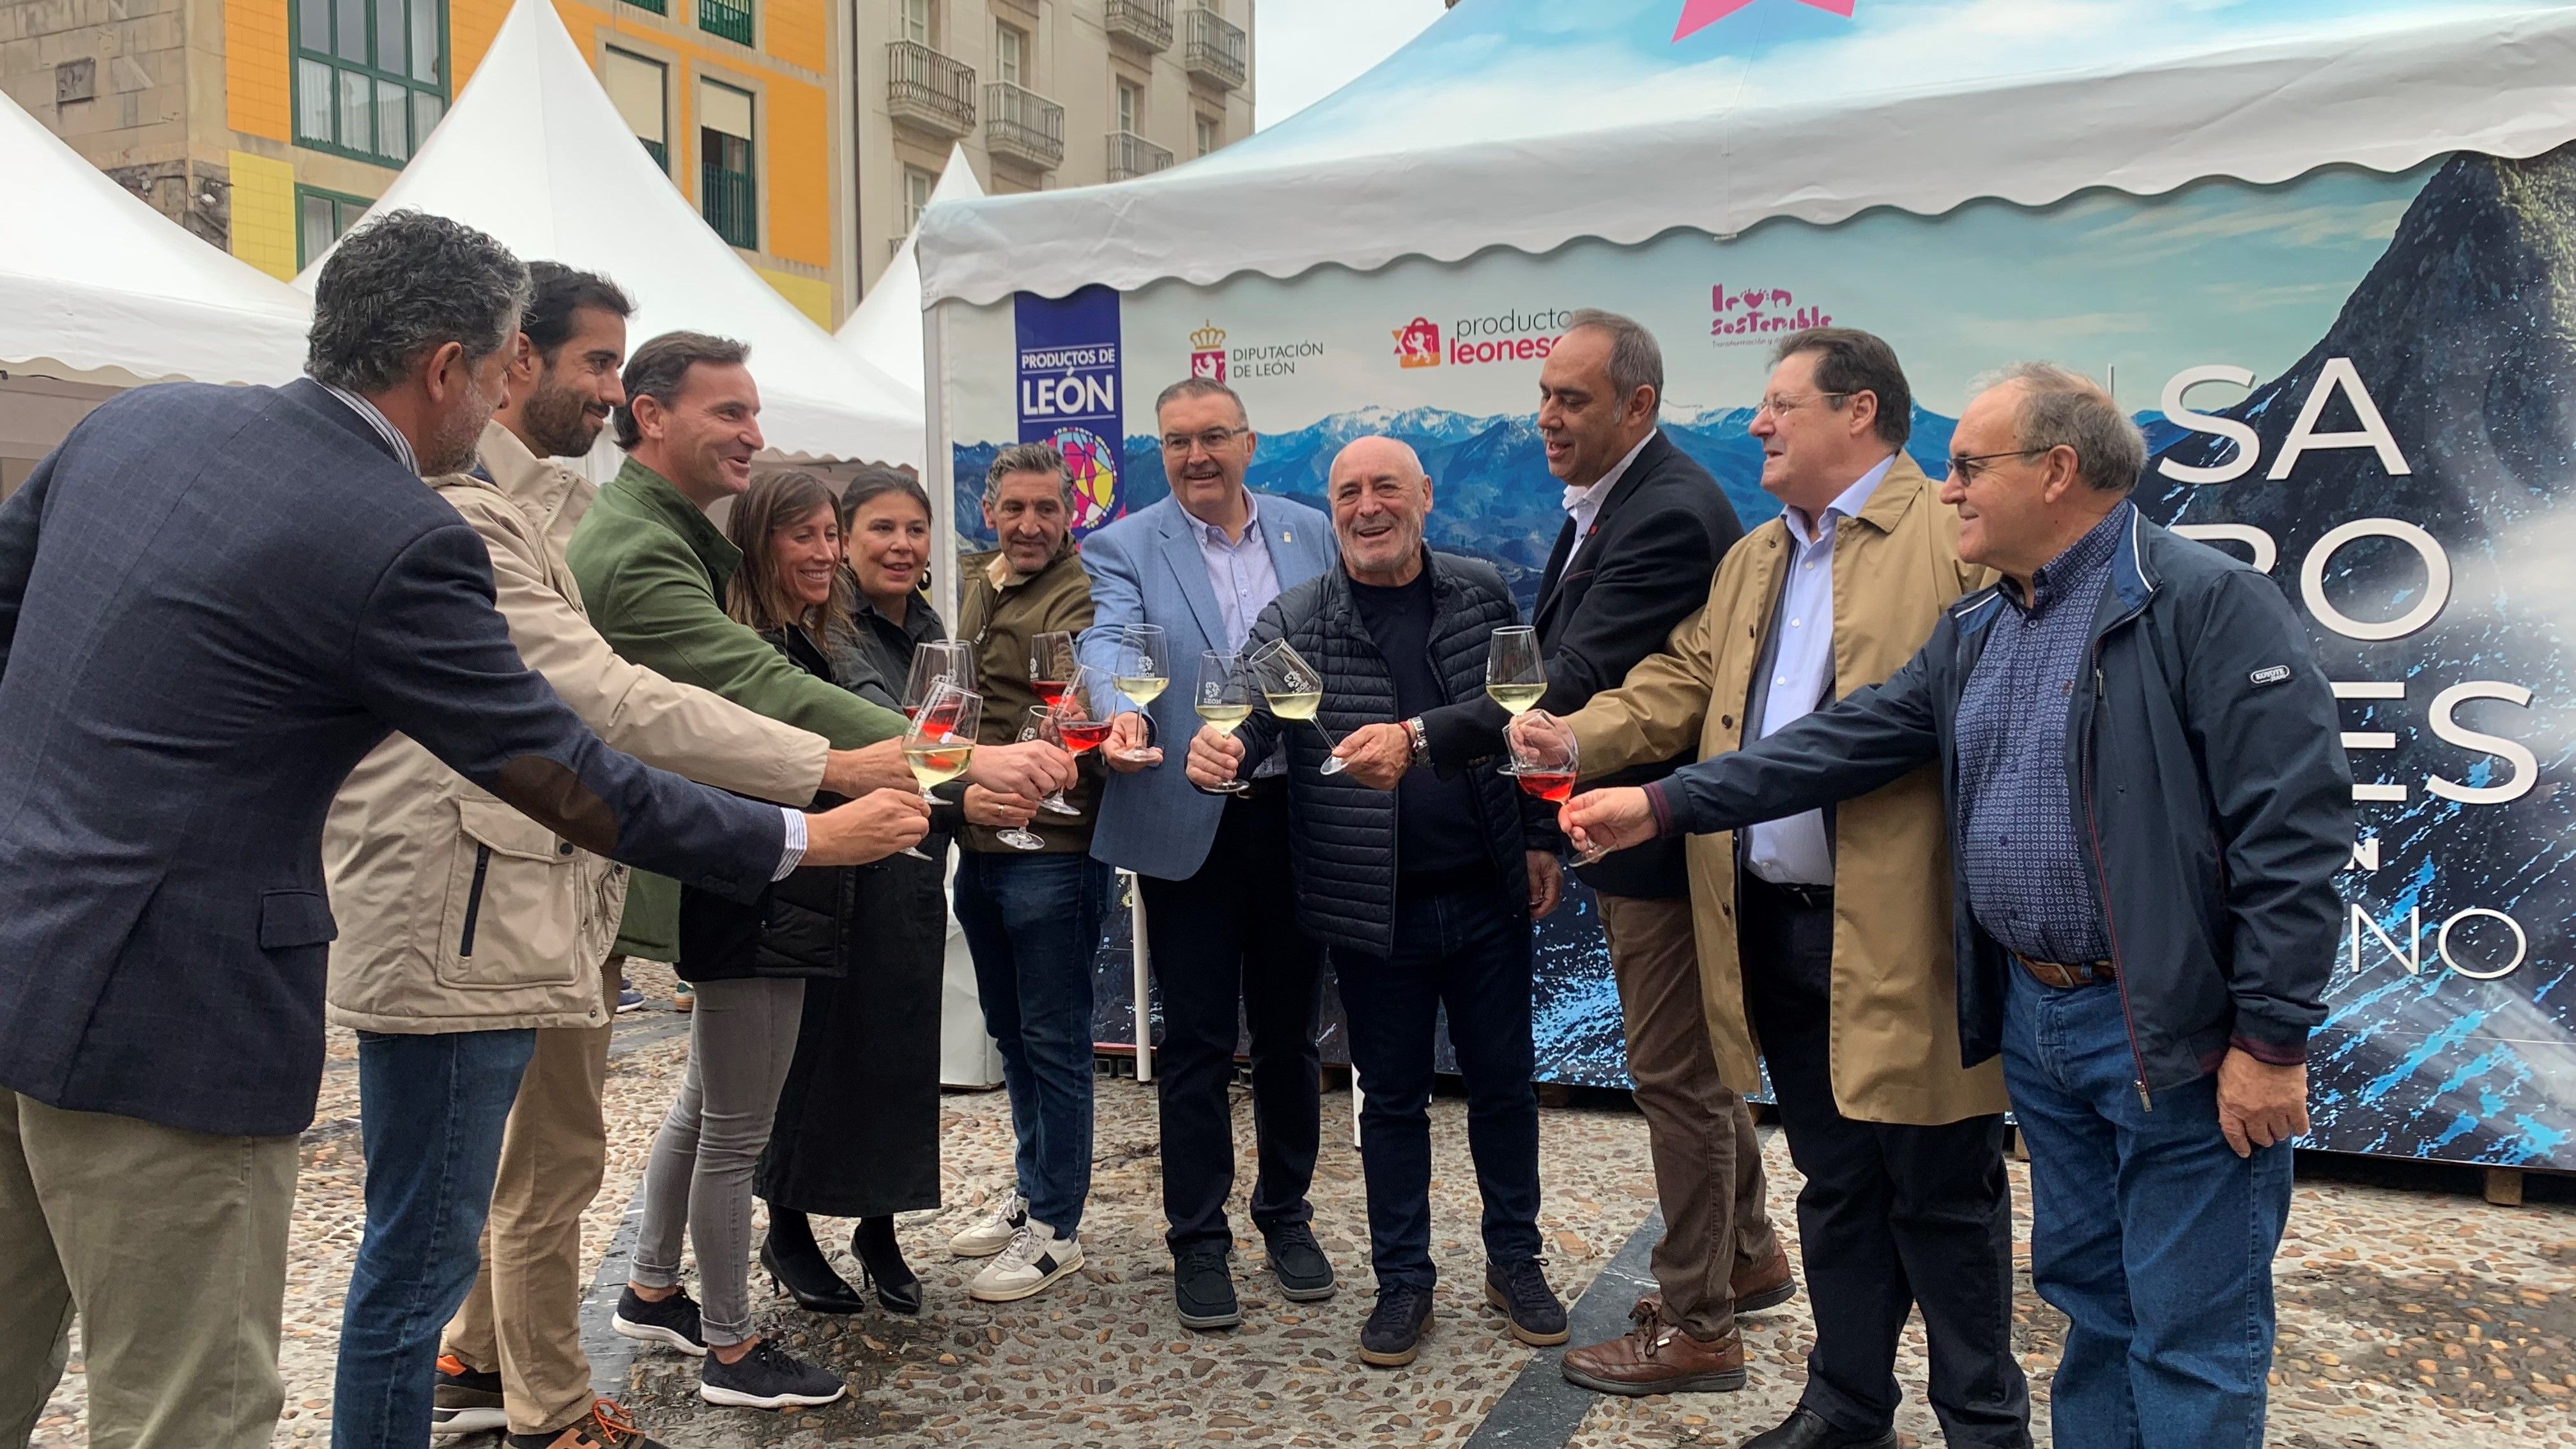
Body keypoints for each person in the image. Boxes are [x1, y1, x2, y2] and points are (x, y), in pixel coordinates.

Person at [0, 211, 923, 1449]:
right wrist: (802, 837)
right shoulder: (404, 529)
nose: (505, 400)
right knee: (190, 1407)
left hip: (20, 945)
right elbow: (560, 762)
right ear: (447, 368)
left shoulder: (138, 420)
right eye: (502, 373)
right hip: (175, 1019)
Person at [1555, 364, 2350, 1449]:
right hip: (2041, 1021)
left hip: (2172, 1035)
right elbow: (1841, 742)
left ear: (2058, 472)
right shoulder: (1984, 626)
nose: (1951, 489)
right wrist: (1661, 803)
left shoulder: (2203, 606)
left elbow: (2292, 840)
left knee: (2192, 1333)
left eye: (1972, 467)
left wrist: (2271, 1038)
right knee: (2096, 1310)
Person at [320, 265, 909, 1449]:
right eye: (597, 364)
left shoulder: (558, 509)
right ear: (502, 365)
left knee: (505, 1174)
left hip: (526, 884)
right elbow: (621, 699)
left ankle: (481, 1357)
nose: (604, 388)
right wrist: (846, 775)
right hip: (480, 896)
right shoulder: (494, 512)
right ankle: (545, 1410)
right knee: (516, 1178)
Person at [1526, 330, 2030, 1448]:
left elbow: (1933, 726)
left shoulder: (1952, 540)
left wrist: (1657, 799)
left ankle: (1984, 1429)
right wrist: (1566, 732)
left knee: (1944, 1201)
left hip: (1907, 941)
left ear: (1859, 414)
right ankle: (1847, 1409)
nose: (1757, 422)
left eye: (1779, 404)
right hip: (1772, 934)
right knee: (1836, 1190)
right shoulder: (1756, 558)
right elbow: (1675, 684)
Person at [563, 334, 1069, 1408]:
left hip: (767, 883)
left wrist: (952, 784)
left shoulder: (720, 570)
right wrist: (960, 768)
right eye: (817, 533)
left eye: (845, 533)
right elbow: (772, 713)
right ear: (650, 417)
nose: (833, 552)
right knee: (725, 1127)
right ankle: (735, 1352)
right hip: (760, 885)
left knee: (707, 1105)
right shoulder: (692, 586)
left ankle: (654, 1288)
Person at [1370, 309, 1772, 1393]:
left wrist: (1419, 737)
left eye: (1573, 399)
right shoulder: (1613, 501)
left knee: (1675, 1078)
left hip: (1662, 842)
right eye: (1544, 395)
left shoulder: (1668, 512)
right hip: (1637, 828)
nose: (1547, 416)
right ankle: (1748, 1253)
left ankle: (1699, 1321)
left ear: (1637, 406)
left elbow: (1574, 674)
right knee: (1697, 1069)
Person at [1184, 436, 1566, 1369]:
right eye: (1348, 492)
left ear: (1425, 497)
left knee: (1505, 1089)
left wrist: (1543, 838)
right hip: (1370, 906)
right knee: (1390, 1101)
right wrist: (1218, 749)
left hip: (1485, 893)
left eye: (1385, 487)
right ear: (1332, 510)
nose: (1367, 507)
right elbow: (1242, 701)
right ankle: (1405, 1282)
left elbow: (1526, 719)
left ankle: (1515, 1260)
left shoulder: (1478, 593)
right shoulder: (1299, 617)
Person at [1077, 378, 1340, 1331]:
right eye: (1178, 441)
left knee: (1287, 1036)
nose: (1196, 456)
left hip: (1295, 813)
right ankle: (1198, 1240)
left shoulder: (1310, 530)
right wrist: (1122, 710)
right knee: (1191, 1042)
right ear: (1163, 448)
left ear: (1248, 443)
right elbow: (1109, 643)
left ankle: (1287, 1215)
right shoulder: (1124, 543)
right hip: (1187, 816)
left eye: (1213, 438)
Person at [753, 468, 969, 1321]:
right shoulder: (829, 625)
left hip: (912, 856)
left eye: (916, 530)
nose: (902, 545)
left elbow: (951, 727)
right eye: (882, 528)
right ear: (845, 538)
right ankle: (789, 1228)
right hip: (837, 867)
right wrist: (963, 760)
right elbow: (900, 727)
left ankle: (880, 1228)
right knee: (816, 1057)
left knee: (897, 1050)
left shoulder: (926, 623)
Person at [944, 444, 1110, 1305]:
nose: (1031, 524)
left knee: (1054, 1039)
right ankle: (1030, 1196)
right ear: (990, 512)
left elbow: (1075, 712)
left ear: (1071, 511)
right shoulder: (986, 581)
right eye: (1015, 508)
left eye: (1047, 508)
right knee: (1011, 1034)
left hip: (1054, 847)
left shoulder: (1084, 595)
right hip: (984, 841)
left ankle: (1056, 1231)